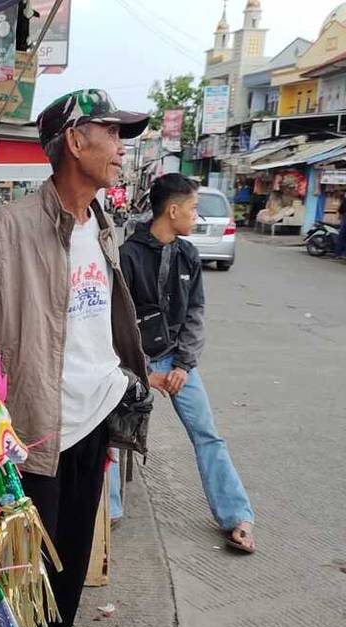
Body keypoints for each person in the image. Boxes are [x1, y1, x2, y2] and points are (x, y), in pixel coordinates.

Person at [0, 89, 150, 627]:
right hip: (36, 430)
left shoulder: (104, 224)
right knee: (24, 575)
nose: (122, 147)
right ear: (75, 139)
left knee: (68, 570)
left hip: (94, 419)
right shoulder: (7, 228)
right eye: (112, 133)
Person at [120, 173, 256, 554]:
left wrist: (182, 365)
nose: (196, 217)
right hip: (135, 363)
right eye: (194, 208)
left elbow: (195, 313)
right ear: (173, 209)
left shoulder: (188, 255)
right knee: (111, 435)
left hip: (178, 362)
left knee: (208, 435)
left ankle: (237, 517)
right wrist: (145, 371)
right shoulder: (128, 256)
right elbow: (119, 320)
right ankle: (110, 513)